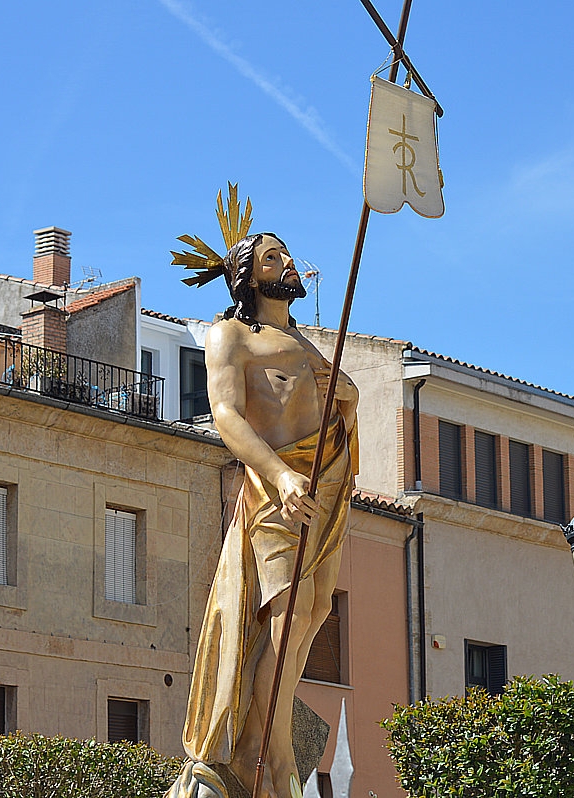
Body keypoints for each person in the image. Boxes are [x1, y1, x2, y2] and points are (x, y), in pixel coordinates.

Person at [167, 232, 359, 798]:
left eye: (287, 254)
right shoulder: (230, 335)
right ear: (248, 276)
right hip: (279, 492)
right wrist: (278, 475)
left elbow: (336, 407)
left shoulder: (303, 341)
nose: (288, 262)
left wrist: (348, 398)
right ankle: (273, 756)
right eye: (273, 258)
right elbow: (227, 415)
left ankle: (261, 735)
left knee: (317, 609)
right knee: (288, 614)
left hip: (325, 486)